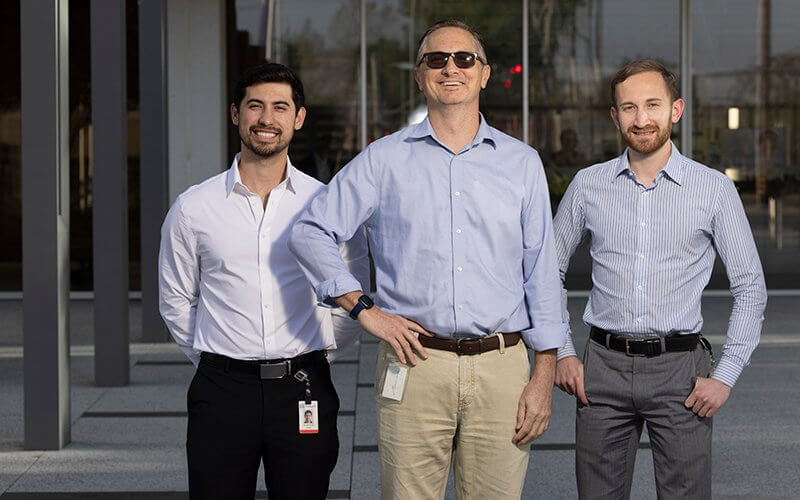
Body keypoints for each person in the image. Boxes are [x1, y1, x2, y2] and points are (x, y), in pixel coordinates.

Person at [288, 19, 564, 499]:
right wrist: (363, 310)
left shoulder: (522, 163)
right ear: (419, 76)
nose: (450, 68)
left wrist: (544, 375)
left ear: (484, 74)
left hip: (503, 367)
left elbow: (541, 275)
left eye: (464, 59)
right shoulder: (383, 160)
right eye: (436, 59)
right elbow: (310, 231)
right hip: (413, 365)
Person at [553, 59, 767, 499]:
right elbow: (546, 272)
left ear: (676, 109)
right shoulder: (588, 185)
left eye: (652, 104)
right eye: (629, 108)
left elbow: (750, 287)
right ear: (615, 116)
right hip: (602, 370)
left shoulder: (712, 189)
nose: (641, 118)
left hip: (681, 373)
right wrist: (562, 351)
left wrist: (725, 375)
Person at [158, 62, 369, 500]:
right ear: (236, 113)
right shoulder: (193, 207)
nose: (266, 119)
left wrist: (320, 351)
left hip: (303, 386)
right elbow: (177, 298)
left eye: (279, 107)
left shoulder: (325, 204)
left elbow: (354, 292)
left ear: (299, 118)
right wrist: (214, 359)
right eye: (255, 106)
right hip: (220, 391)